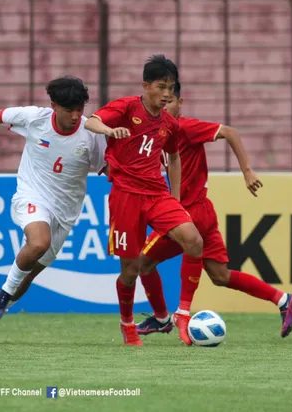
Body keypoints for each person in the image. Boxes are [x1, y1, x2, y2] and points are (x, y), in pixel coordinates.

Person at [135, 80, 292, 345]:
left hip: (187, 214)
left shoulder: (186, 127)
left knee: (141, 263)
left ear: (180, 103)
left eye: (170, 103)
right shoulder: (160, 133)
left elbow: (230, 132)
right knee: (220, 275)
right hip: (203, 211)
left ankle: (165, 317)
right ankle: (283, 300)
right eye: (162, 104)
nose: (165, 109)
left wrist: (246, 171)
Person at [0, 76, 107, 343]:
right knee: (38, 242)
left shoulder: (91, 132)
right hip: (32, 195)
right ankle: (1, 299)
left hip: (66, 212)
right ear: (53, 105)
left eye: (80, 109)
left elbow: (106, 168)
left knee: (24, 282)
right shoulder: (34, 118)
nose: (77, 115)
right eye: (70, 110)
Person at [84, 55, 203, 346]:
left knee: (194, 240)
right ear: (145, 85)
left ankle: (183, 313)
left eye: (171, 89)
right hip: (126, 195)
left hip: (157, 195)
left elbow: (173, 158)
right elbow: (91, 122)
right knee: (130, 270)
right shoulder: (126, 107)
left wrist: (175, 199)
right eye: (161, 87)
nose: (166, 94)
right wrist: (111, 131)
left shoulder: (169, 124)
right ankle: (127, 324)